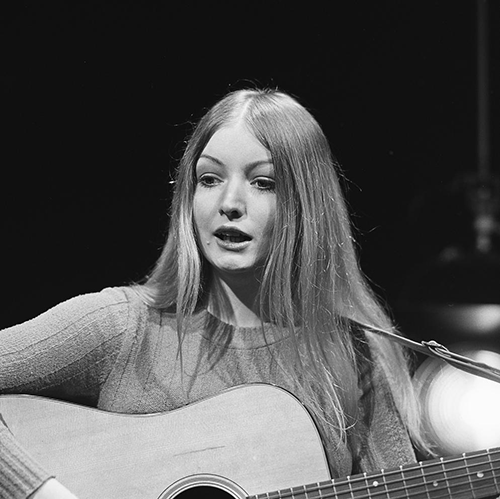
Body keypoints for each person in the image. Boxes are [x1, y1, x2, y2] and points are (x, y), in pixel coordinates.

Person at [0, 88, 430, 499]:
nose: (230, 202)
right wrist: (40, 490)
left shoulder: (350, 355)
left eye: (263, 183)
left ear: (306, 206)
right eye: (209, 179)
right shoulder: (122, 328)